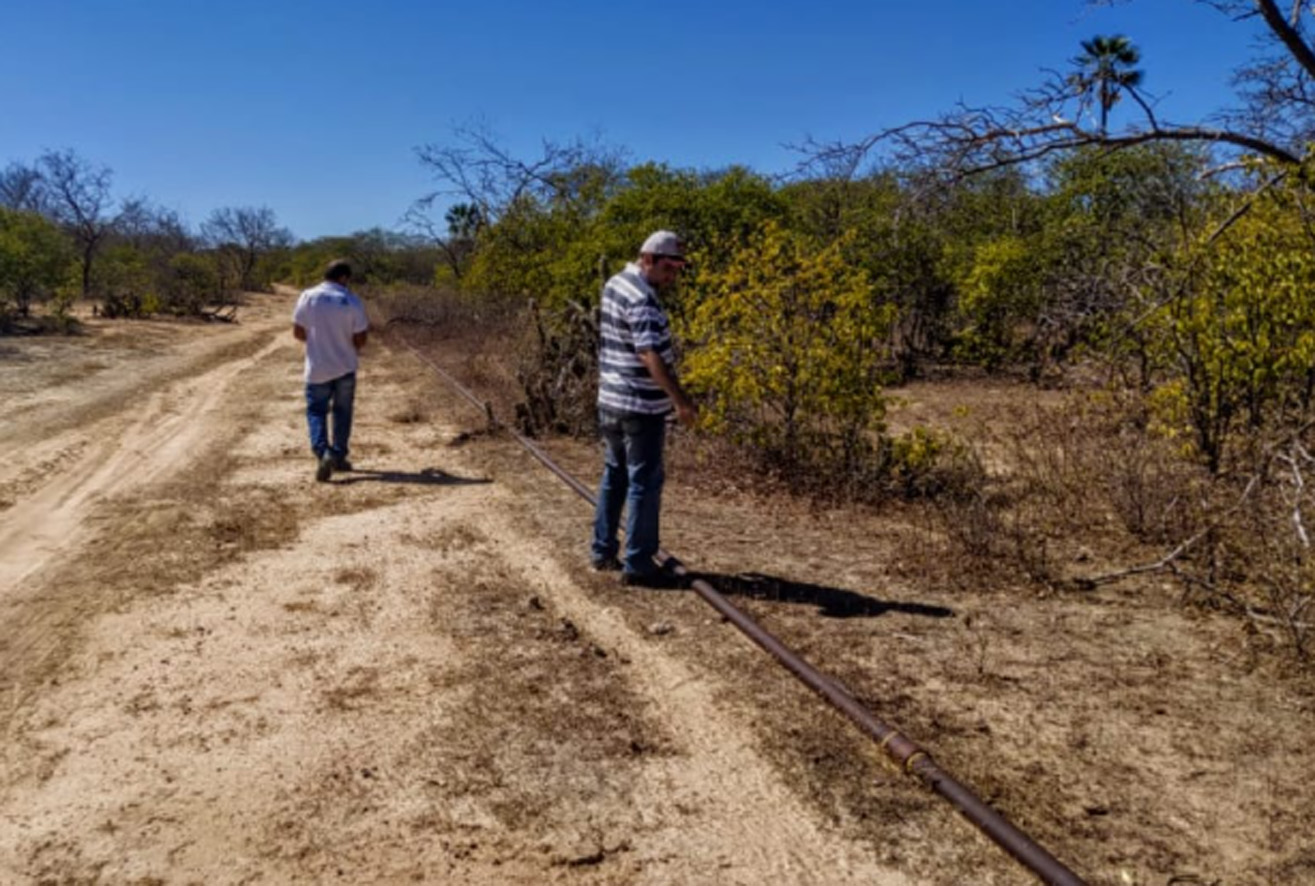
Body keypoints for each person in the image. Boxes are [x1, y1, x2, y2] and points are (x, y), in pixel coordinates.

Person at [591, 230, 699, 587]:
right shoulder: (643, 300)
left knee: (615, 473)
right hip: (639, 405)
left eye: (678, 269)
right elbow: (649, 353)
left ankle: (603, 550)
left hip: (611, 399)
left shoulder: (615, 283)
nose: (673, 276)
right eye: (669, 268)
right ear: (648, 259)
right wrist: (680, 400)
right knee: (644, 481)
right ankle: (638, 563)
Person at [292, 259, 369, 482]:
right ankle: (338, 455)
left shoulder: (308, 296)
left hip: (317, 367)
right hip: (345, 366)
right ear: (344, 277)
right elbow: (360, 338)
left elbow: (298, 332)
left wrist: (318, 342)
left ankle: (323, 452)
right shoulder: (351, 300)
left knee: (316, 411)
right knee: (343, 412)